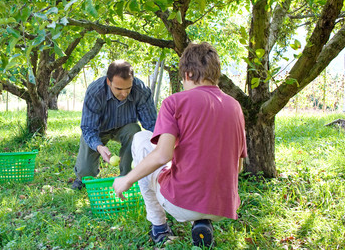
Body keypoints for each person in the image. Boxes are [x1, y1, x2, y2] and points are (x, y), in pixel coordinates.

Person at [113, 42, 247, 247]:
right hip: (224, 206)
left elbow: (162, 156)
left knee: (141, 139)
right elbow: (238, 167)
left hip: (183, 202)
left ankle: (159, 227)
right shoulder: (235, 106)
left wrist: (126, 180)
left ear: (188, 74)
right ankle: (201, 224)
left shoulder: (174, 102)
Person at [71, 60, 157, 190]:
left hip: (126, 128)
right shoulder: (95, 91)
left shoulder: (141, 91)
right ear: (108, 82)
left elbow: (152, 125)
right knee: (85, 171)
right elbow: (88, 128)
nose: (124, 93)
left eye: (128, 88)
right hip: (99, 129)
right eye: (118, 89)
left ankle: (127, 177)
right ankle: (82, 178)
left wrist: (161, 146)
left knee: (135, 131)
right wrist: (99, 147)